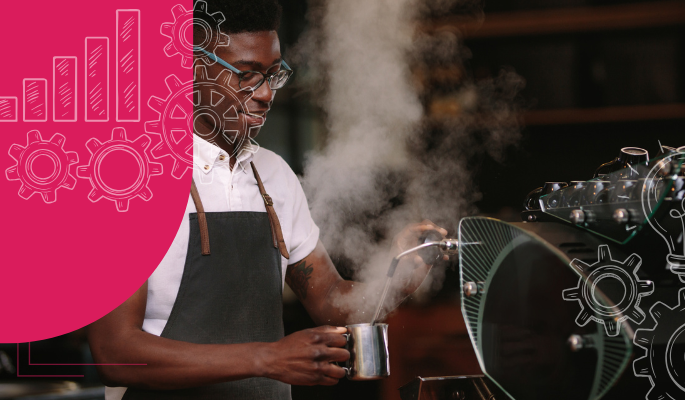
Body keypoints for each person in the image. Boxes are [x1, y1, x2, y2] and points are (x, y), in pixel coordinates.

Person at [87, 1, 447, 399]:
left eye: (273, 74)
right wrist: (269, 359)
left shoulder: (273, 174)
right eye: (245, 75)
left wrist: (398, 278)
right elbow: (114, 352)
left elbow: (329, 301)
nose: (263, 94)